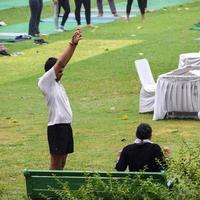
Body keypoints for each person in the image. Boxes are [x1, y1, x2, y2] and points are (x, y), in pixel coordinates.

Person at [38, 29, 82, 170]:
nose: (62, 73)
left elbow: (62, 64)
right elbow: (61, 63)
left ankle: (58, 189)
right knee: (55, 164)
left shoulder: (57, 84)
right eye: (59, 71)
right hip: (56, 127)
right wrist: (72, 44)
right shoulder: (45, 82)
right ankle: (50, 191)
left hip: (65, 126)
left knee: (62, 163)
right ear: (52, 72)